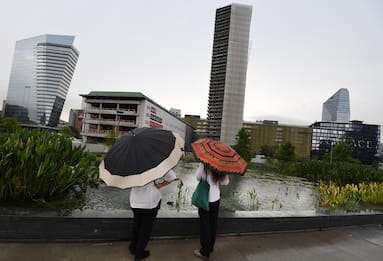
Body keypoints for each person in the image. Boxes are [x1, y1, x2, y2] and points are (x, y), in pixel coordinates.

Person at [129, 169, 177, 261]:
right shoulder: (157, 161)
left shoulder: (132, 162)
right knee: (145, 228)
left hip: (135, 200)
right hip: (150, 201)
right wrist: (161, 185)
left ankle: (133, 247)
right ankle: (139, 253)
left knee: (137, 225)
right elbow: (172, 177)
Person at [193, 162, 229, 260]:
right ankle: (210, 247)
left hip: (205, 200)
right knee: (213, 224)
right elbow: (225, 183)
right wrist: (223, 173)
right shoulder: (221, 166)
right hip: (216, 199)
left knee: (205, 226)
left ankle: (205, 252)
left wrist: (201, 166)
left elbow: (197, 177)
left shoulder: (204, 164)